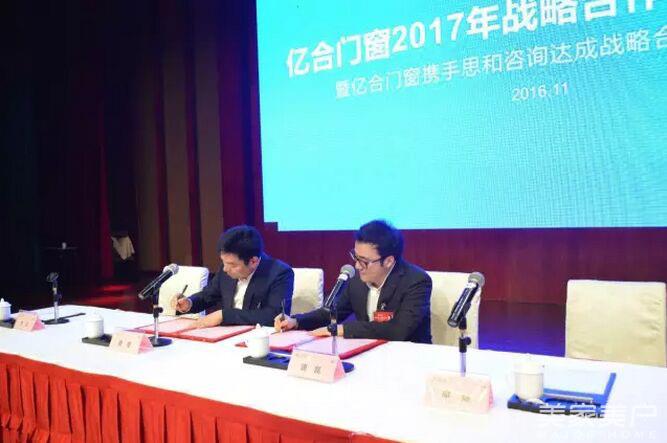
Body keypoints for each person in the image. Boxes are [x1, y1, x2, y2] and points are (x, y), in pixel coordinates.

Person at [275, 220, 431, 343]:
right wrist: (296, 321)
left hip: (409, 356)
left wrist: (343, 329)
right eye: (355, 257)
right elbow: (331, 313)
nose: (357, 266)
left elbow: (399, 330)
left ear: (389, 261)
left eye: (364, 261)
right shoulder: (357, 281)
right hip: (369, 353)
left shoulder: (416, 282)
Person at [172, 225, 294, 327]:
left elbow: (274, 316)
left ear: (253, 261)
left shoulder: (279, 273)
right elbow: (208, 295)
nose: (225, 269)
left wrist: (224, 315)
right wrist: (189, 303)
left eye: (232, 265)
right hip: (225, 335)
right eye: (223, 262)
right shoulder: (227, 268)